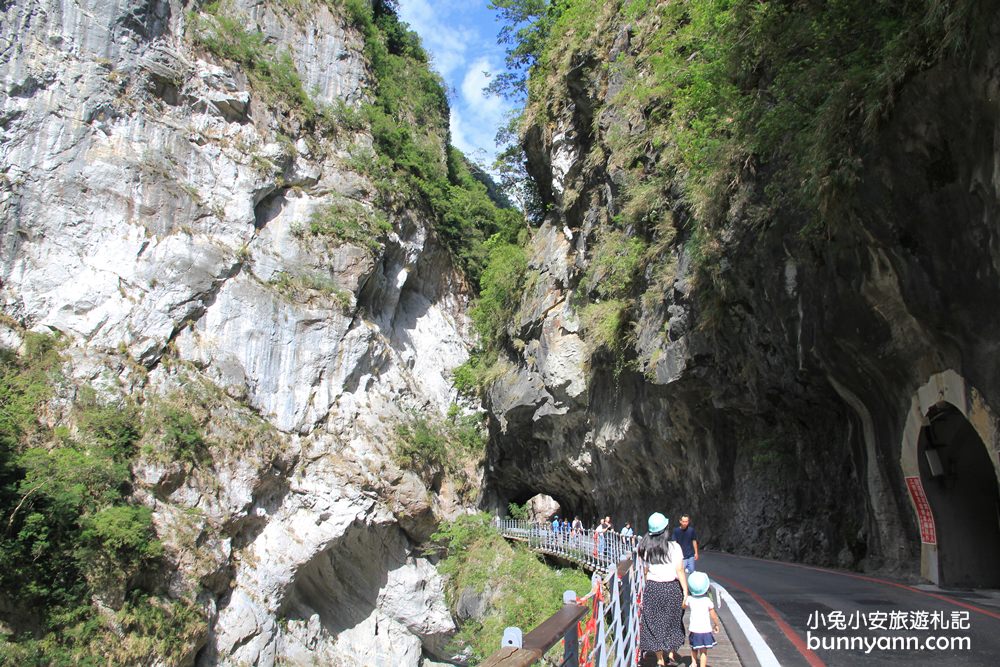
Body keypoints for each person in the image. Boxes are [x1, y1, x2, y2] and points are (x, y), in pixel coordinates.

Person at [639, 512, 689, 667]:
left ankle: (660, 658)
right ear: (666, 529)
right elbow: (680, 570)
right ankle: (671, 653)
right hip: (672, 589)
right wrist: (686, 591)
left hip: (653, 589)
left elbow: (646, 571)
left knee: (653, 623)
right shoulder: (675, 547)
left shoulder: (645, 548)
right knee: (673, 621)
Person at [685, 571, 720, 667]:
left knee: (694, 647)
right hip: (705, 630)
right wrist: (716, 624)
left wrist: (686, 593)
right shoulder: (707, 601)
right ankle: (702, 665)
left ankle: (693, 663)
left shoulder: (690, 599)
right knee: (704, 651)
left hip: (694, 629)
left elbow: (683, 605)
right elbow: (713, 615)